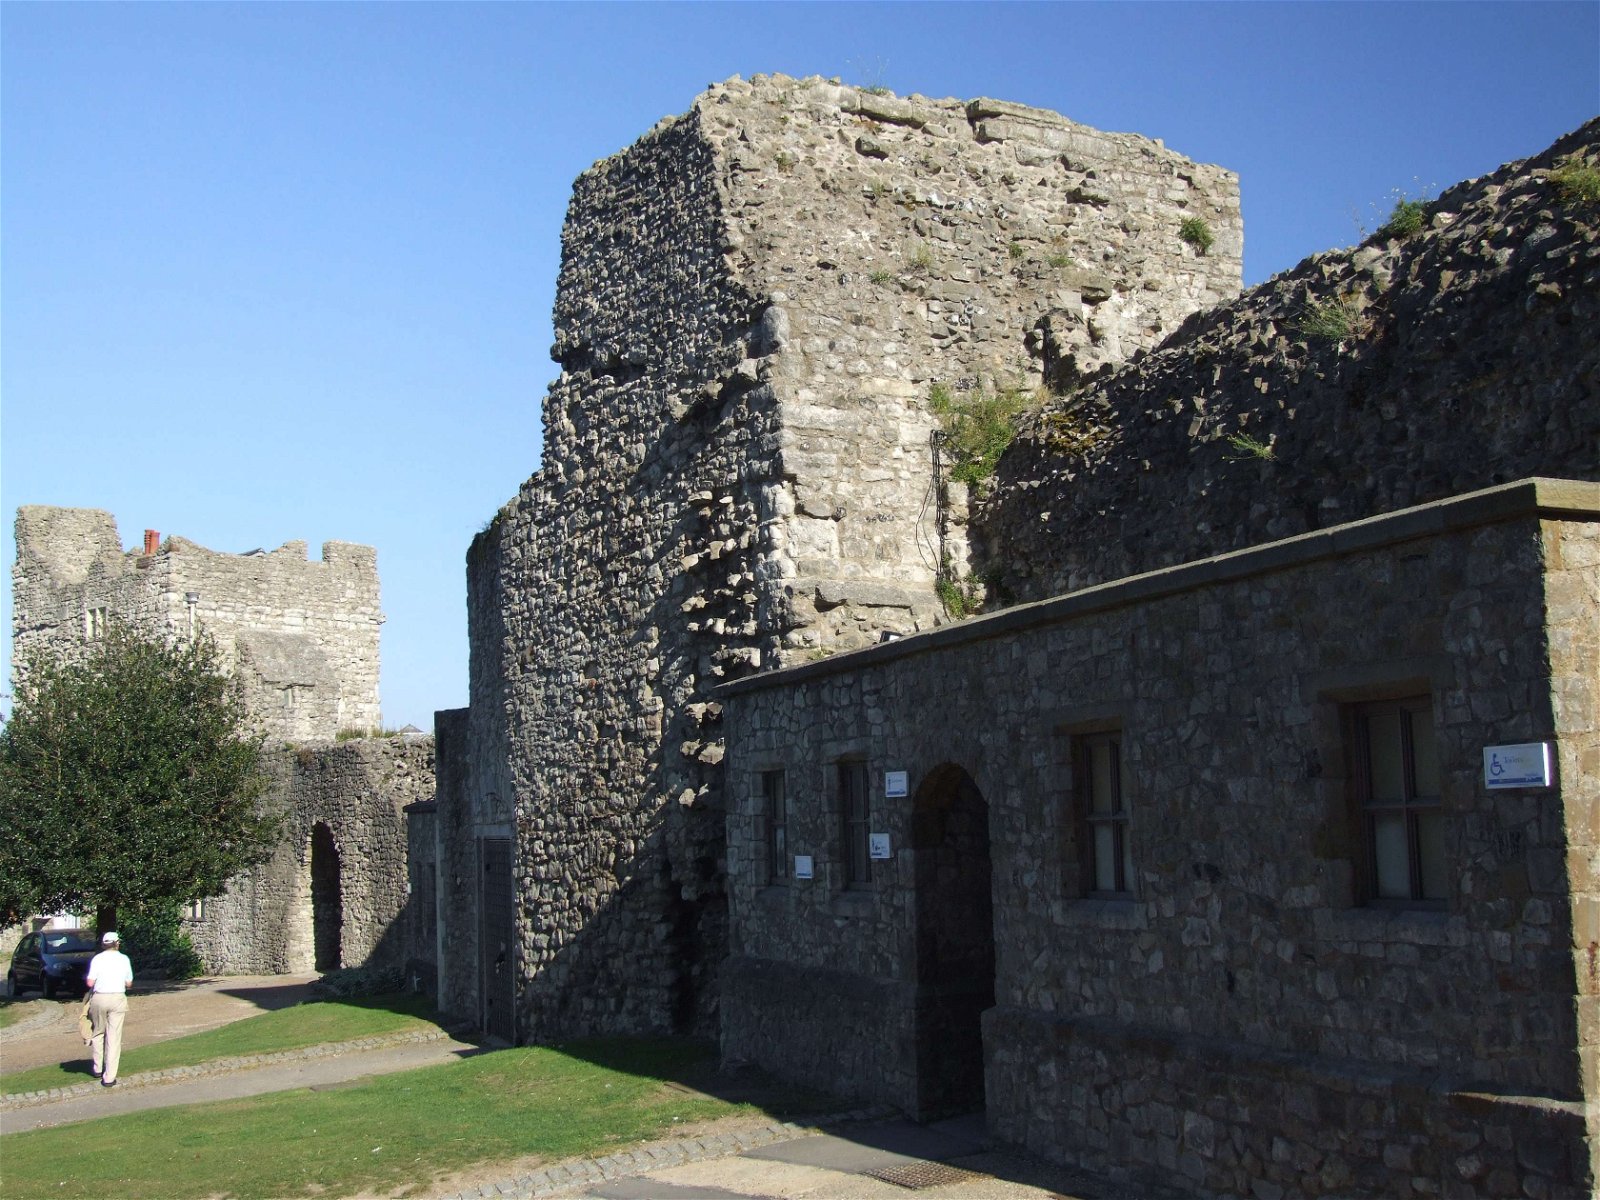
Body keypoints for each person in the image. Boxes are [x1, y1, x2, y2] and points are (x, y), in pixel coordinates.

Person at [86, 931, 134, 1087]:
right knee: (114, 1037)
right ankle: (109, 1077)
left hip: (100, 997)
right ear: (117, 943)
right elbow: (129, 983)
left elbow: (90, 982)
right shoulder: (124, 959)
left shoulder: (97, 959)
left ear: (103, 944)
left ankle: (97, 1067)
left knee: (98, 1032)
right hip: (117, 997)